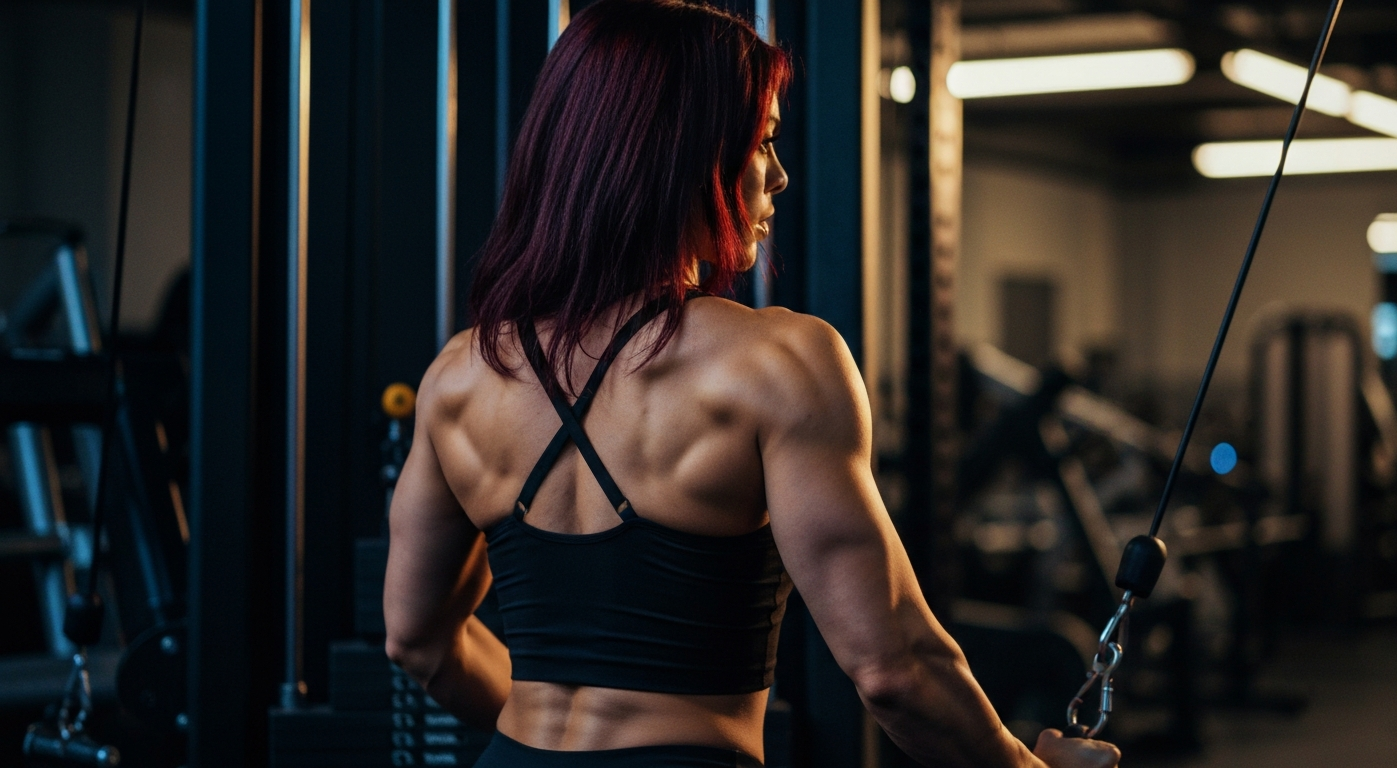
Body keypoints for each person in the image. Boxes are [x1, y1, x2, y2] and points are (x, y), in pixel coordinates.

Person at [383, 2, 1121, 766]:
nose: (779, 173)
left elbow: (417, 642)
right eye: (763, 140)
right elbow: (891, 669)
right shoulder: (778, 363)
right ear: (681, 154)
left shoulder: (461, 377)